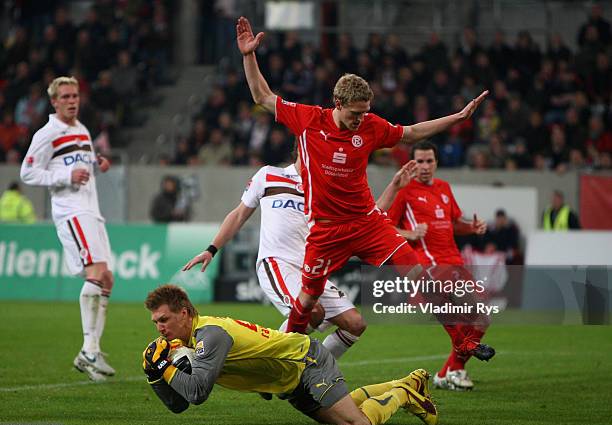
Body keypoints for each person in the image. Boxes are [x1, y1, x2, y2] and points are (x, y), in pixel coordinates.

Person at [236, 16, 488, 334]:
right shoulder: (308, 119)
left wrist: (459, 117)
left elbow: (411, 132)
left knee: (416, 272)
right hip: (326, 231)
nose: (361, 119)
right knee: (307, 303)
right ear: (338, 104)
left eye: (365, 112)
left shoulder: (370, 126)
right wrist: (248, 55)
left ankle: (462, 341)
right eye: (355, 113)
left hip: (367, 223)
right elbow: (262, 96)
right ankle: (284, 357)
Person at [182, 149, 416, 360]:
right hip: (277, 263)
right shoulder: (269, 175)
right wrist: (212, 248)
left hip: (313, 268)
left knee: (355, 324)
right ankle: (270, 367)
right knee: (313, 312)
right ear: (301, 148)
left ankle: (313, 369)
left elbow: (368, 220)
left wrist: (394, 187)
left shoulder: (328, 189)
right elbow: (239, 214)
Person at [143, 284, 438, 425]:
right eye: (156, 322)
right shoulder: (193, 338)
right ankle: (407, 381)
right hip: (289, 383)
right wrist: (155, 374)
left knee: (355, 424)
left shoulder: (211, 335)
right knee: (340, 418)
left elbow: (196, 393)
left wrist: (164, 367)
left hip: (305, 361)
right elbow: (179, 405)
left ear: (184, 313)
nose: (160, 328)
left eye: (164, 320)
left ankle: (403, 393)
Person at [20, 76, 115, 382]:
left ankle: (92, 351)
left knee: (107, 279)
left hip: (93, 212)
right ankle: (88, 350)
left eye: (75, 95)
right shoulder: (47, 133)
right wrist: (64, 177)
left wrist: (97, 164)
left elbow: (81, 166)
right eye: (66, 96)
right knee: (96, 273)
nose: (72, 100)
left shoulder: (82, 130)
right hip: (72, 212)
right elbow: (28, 172)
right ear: (54, 101)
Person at [387, 141, 494, 391]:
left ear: (436, 162)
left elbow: (451, 223)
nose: (425, 166)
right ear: (411, 164)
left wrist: (471, 228)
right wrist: (410, 233)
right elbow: (386, 227)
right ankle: (455, 370)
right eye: (420, 161)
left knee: (481, 320)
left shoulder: (444, 188)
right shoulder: (404, 190)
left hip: (455, 261)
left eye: (429, 161)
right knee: (470, 317)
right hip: (430, 265)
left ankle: (447, 372)